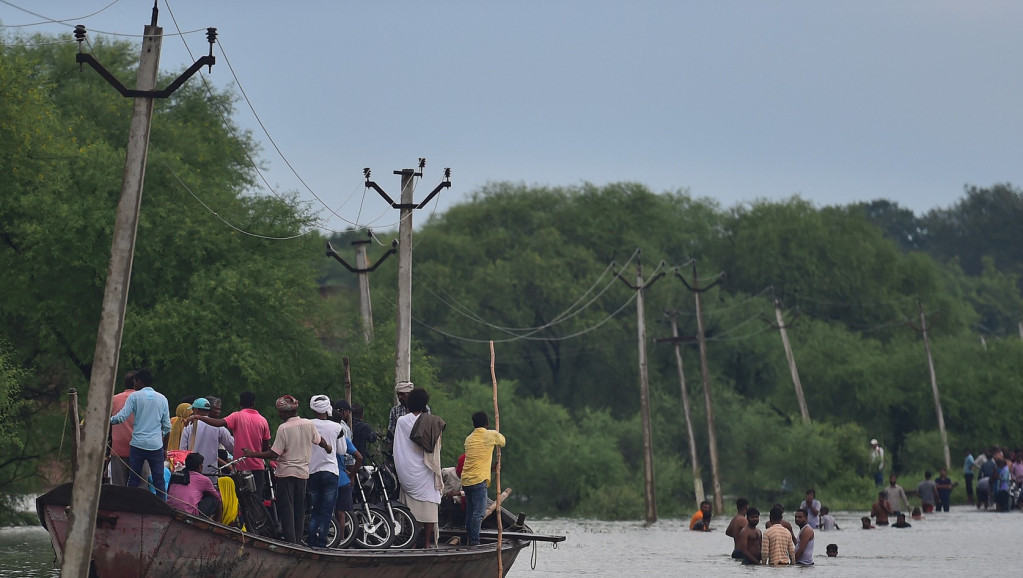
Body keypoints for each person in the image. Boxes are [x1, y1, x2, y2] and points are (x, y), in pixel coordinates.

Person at [242, 395, 332, 544]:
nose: (279, 415)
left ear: (286, 413)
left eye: (280, 412)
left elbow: (274, 453)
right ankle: (297, 540)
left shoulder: (283, 428)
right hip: (303, 474)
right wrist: (328, 447)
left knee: (287, 509)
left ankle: (291, 542)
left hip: (286, 474)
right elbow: (319, 440)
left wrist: (252, 454)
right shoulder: (308, 424)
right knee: (299, 509)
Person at [192, 391, 272, 500]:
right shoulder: (263, 420)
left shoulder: (237, 416)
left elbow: (219, 423)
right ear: (254, 403)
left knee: (241, 500)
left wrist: (198, 417)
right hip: (258, 467)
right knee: (256, 500)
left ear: (240, 403)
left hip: (240, 466)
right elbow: (265, 447)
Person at [393, 388, 444, 548]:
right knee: (429, 506)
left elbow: (399, 447)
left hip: (408, 472)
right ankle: (427, 543)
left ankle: (412, 542)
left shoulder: (402, 421)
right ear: (425, 404)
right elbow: (437, 448)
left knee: (410, 510)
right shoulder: (434, 421)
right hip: (427, 469)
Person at [109, 369, 170, 499]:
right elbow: (167, 427)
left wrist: (108, 421)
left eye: (135, 381)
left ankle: (131, 504)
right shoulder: (162, 399)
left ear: (139, 382)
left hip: (138, 445)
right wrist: (163, 446)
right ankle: (162, 506)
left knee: (134, 479)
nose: (134, 384)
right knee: (158, 479)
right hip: (155, 445)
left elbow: (121, 417)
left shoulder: (135, 397)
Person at [460, 411, 506, 547]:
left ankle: (469, 537)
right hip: (478, 480)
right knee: (478, 513)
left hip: (466, 480)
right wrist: (496, 433)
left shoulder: (469, 438)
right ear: (487, 423)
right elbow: (502, 441)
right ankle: (474, 541)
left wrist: (492, 468)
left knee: (470, 512)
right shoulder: (490, 434)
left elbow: (477, 459)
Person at [306, 395, 341, 549]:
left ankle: (311, 541)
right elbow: (341, 450)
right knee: (326, 511)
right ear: (328, 408)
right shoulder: (336, 427)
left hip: (312, 471)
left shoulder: (307, 425)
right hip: (331, 471)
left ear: (312, 408)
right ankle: (322, 543)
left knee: (314, 510)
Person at [109, 370, 149, 489]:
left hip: (118, 450)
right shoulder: (147, 400)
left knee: (119, 488)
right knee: (141, 489)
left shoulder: (113, 400)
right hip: (141, 449)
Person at [179, 398, 234, 483]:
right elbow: (232, 447)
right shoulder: (219, 428)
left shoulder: (189, 426)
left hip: (193, 473)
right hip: (211, 473)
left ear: (196, 410)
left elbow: (182, 450)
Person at [167, 452, 221, 519]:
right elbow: (217, 497)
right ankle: (218, 523)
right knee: (214, 500)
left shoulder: (176, 474)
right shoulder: (204, 479)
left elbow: (168, 491)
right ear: (199, 467)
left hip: (170, 509)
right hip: (189, 514)